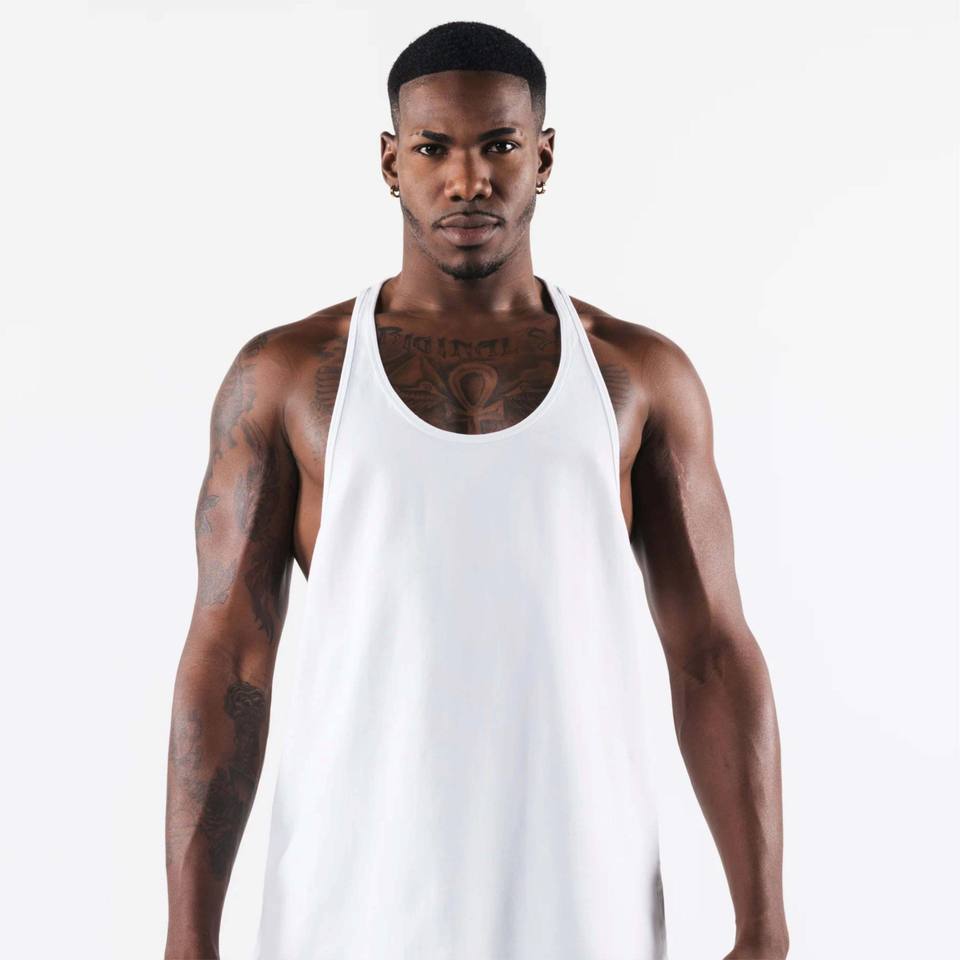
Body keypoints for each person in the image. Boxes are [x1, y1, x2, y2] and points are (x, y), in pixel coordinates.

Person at [164, 20, 789, 960]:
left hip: (584, 905)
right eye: (433, 149)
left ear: (544, 158)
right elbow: (230, 662)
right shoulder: (288, 378)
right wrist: (188, 937)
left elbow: (710, 651)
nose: (468, 180)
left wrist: (763, 925)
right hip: (347, 905)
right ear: (390, 162)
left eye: (499, 145)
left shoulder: (637, 378)